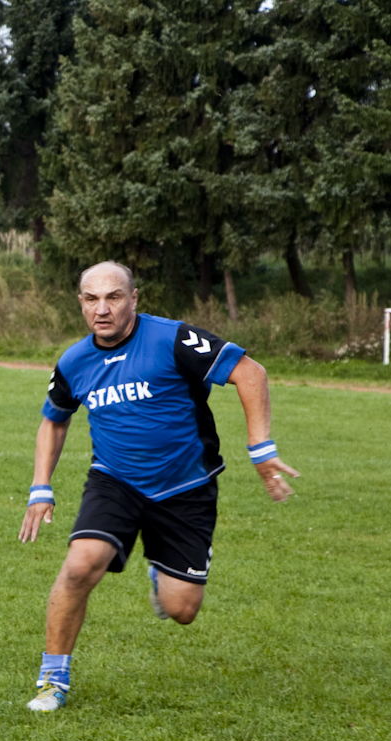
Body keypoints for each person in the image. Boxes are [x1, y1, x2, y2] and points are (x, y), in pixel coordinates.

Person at [18, 261, 299, 712]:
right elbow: (54, 420)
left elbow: (251, 373)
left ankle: (161, 573)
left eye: (113, 297)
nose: (102, 309)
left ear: (134, 299)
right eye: (92, 299)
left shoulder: (172, 340)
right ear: (80, 303)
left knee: (182, 609)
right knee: (79, 566)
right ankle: (52, 679)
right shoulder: (74, 361)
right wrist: (40, 487)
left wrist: (261, 449)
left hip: (185, 487)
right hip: (115, 482)